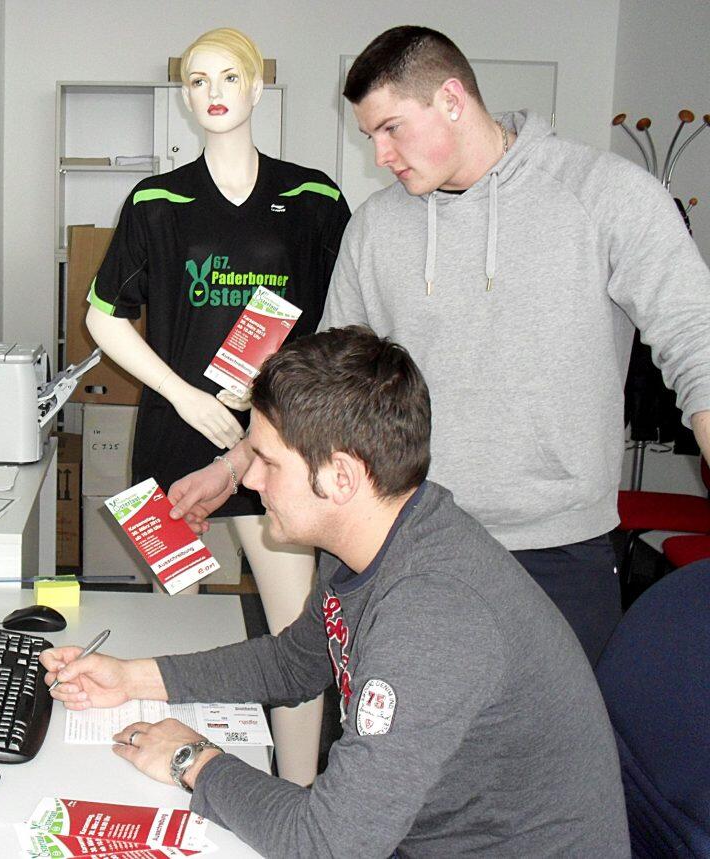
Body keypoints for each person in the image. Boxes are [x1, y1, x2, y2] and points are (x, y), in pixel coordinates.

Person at [169, 25, 710, 666]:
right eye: (370, 135)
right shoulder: (376, 227)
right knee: (391, 729)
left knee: (553, 731)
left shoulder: (606, 195)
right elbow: (323, 394)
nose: (380, 156)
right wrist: (234, 466)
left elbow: (695, 342)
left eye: (391, 129)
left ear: (451, 99)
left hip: (556, 550)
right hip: (404, 540)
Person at [41, 327, 630, 858]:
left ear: (340, 477)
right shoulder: (372, 537)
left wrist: (191, 759)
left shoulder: (434, 613)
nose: (249, 479)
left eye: (267, 460)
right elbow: (293, 663)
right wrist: (131, 678)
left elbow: (327, 843)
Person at [85, 27, 350, 783]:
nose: (214, 93)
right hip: (174, 444)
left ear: (258, 86)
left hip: (280, 454)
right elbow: (104, 316)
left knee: (296, 639)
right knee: (178, 633)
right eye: (198, 80)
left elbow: (344, 321)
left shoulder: (313, 198)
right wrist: (181, 393)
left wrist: (276, 390)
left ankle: (299, 791)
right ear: (185, 94)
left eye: (230, 76)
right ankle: (184, 782)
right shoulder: (157, 201)